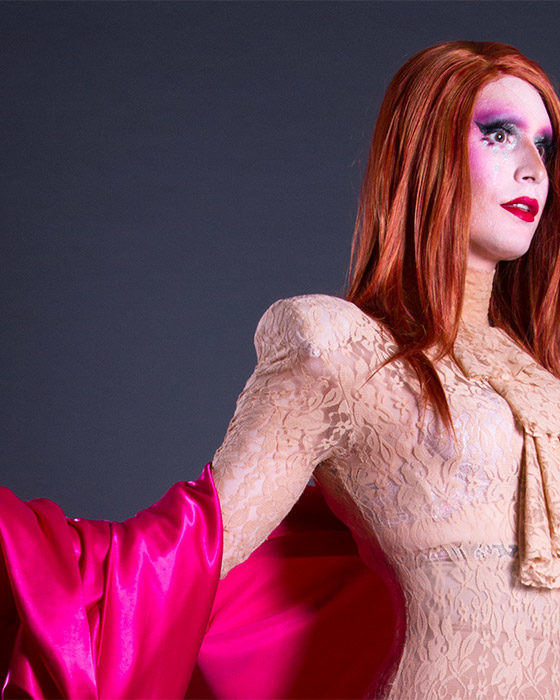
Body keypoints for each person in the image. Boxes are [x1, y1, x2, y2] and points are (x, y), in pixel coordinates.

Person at [2, 40, 560, 699]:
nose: (533, 170)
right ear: (426, 148)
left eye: (545, 146)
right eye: (499, 134)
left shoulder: (546, 371)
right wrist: (23, 558)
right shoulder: (338, 346)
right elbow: (194, 549)